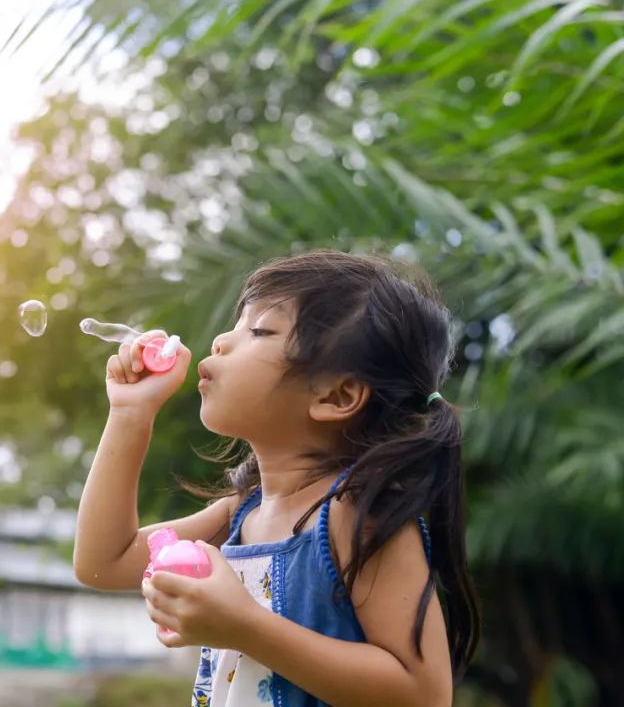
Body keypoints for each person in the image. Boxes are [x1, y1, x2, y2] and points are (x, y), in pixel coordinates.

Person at [73, 250, 481, 707]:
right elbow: (102, 562)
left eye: (259, 330)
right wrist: (130, 414)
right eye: (237, 324)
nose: (221, 342)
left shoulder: (356, 515)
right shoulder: (242, 513)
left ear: (337, 395)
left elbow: (424, 696)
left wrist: (243, 625)